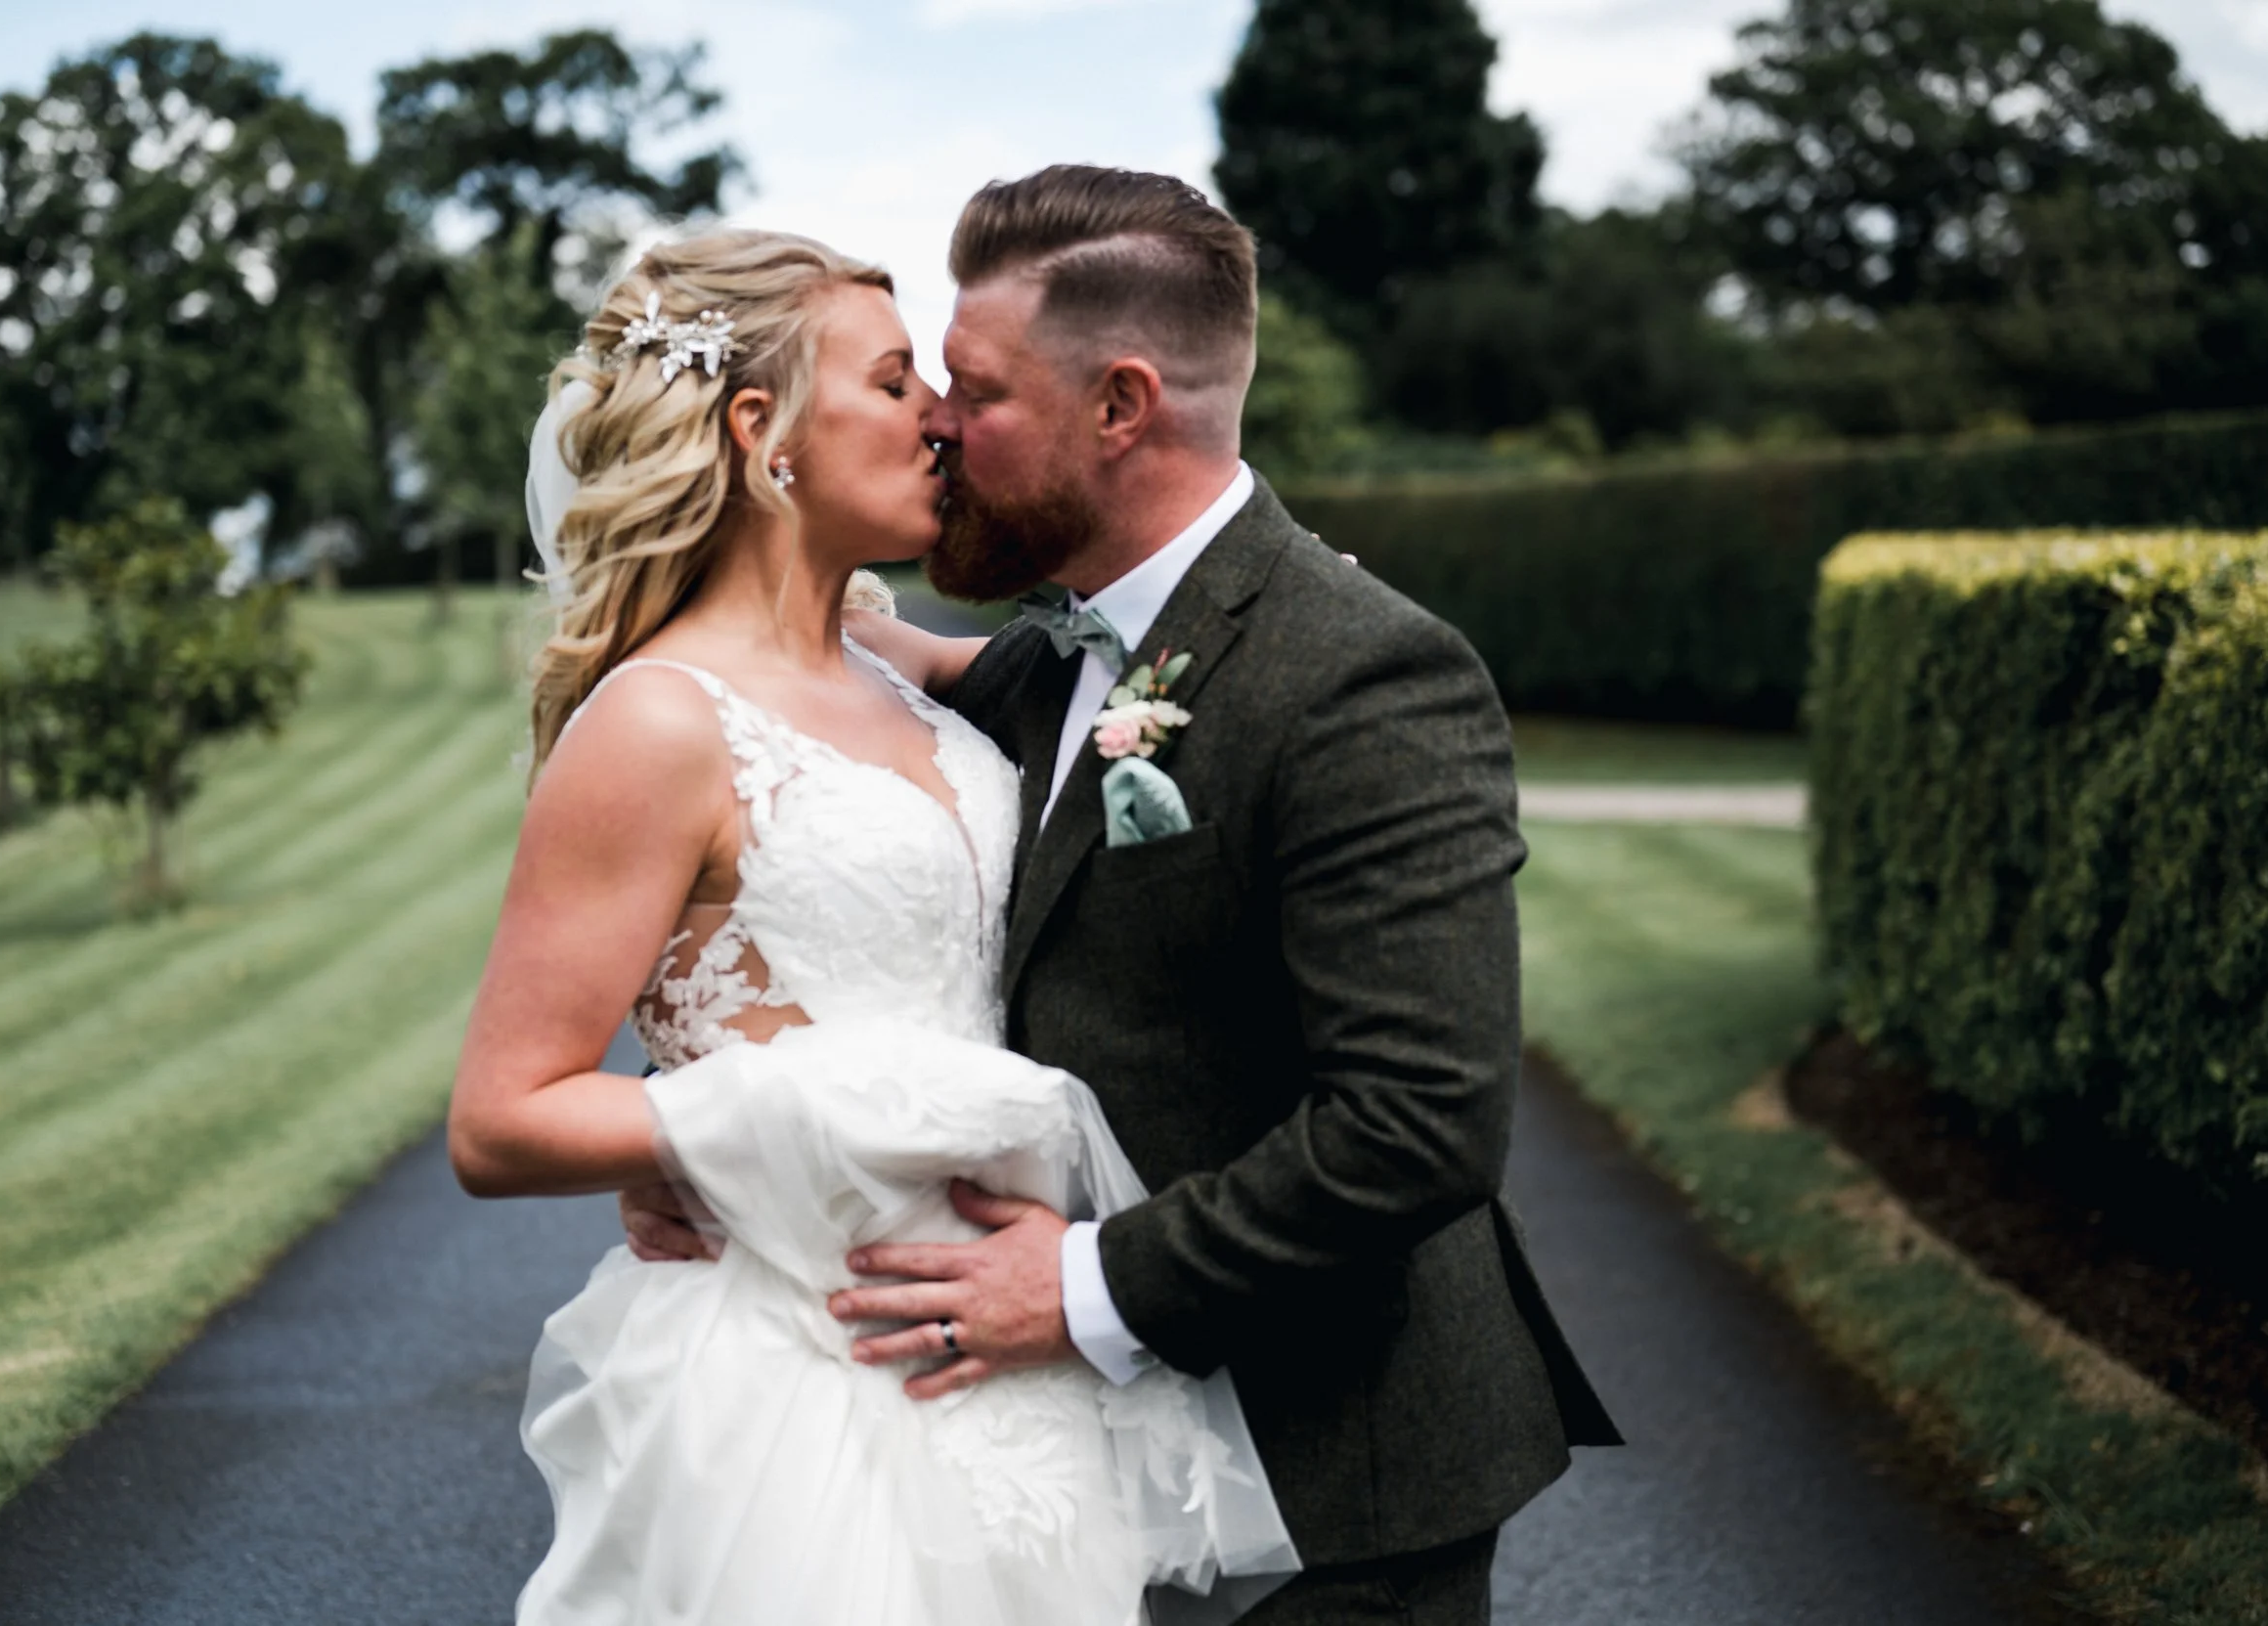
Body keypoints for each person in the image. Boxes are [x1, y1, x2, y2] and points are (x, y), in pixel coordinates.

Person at [627, 165, 1622, 1623]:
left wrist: (1084, 1287)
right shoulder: (1055, 653)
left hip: (1333, 1481)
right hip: (1103, 1483)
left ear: (1121, 405)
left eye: (975, 391)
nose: (938, 425)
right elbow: (804, 730)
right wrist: (708, 1108)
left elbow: (1418, 1126)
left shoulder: (1364, 676)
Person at [448, 226, 1296, 1626]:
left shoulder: (903, 671)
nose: (940, 423)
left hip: (1014, 1368)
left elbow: (1171, 696)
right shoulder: (657, 722)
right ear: (759, 430)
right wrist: (731, 1120)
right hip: (805, 1367)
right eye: (897, 383)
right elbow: (500, 1117)